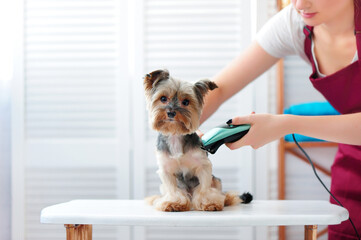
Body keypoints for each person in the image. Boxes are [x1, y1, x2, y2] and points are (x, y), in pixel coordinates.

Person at [199, 0, 361, 239]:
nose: (299, 4)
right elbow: (220, 88)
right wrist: (179, 123)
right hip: (353, 167)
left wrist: (287, 123)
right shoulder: (294, 23)